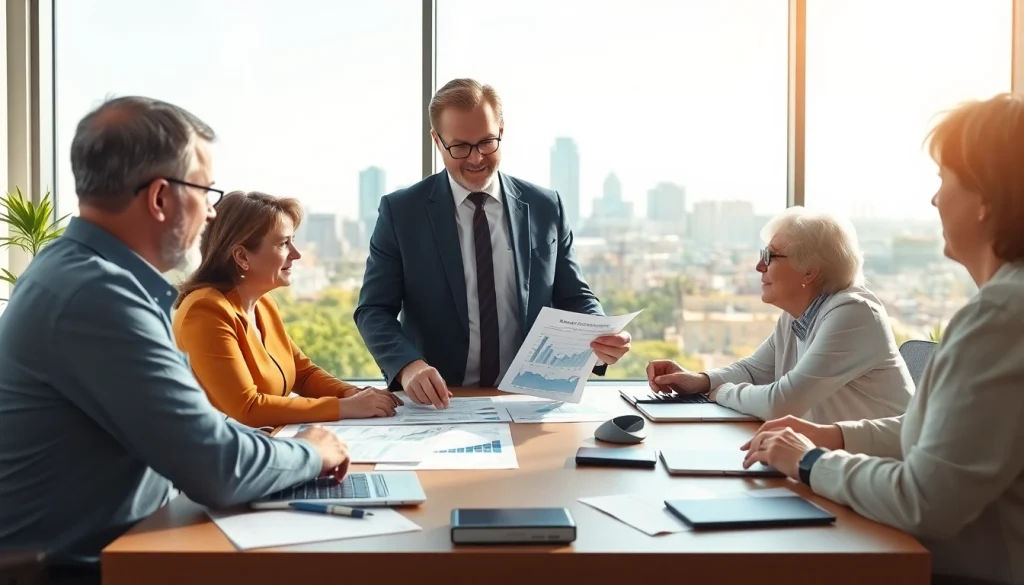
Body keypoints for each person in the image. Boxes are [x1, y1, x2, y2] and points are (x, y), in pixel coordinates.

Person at [0, 97, 348, 581]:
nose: (210, 213)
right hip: (85, 569)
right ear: (160, 198)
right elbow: (216, 465)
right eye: (206, 191)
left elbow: (194, 431)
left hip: (137, 543)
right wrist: (313, 450)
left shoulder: (83, 276)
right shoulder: (95, 296)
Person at [742, 93, 1024, 585]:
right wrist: (833, 436)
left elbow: (925, 500)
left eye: (944, 180)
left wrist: (808, 461)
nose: (935, 199)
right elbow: (945, 438)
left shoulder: (1000, 317)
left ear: (984, 199)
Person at [354, 78, 631, 408]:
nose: (476, 159)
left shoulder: (546, 206)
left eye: (487, 142)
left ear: (502, 130)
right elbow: (373, 311)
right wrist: (407, 366)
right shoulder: (402, 212)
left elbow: (574, 295)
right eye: (460, 147)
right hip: (440, 403)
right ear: (436, 141)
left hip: (530, 399)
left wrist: (601, 334)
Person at [647, 206, 913, 424]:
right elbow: (753, 371)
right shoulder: (796, 316)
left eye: (770, 256)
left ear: (809, 271)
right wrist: (700, 381)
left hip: (884, 473)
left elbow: (782, 403)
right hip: (837, 463)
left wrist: (722, 393)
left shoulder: (854, 315)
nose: (759, 266)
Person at [173, 191, 402, 428]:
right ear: (242, 256)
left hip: (263, 443)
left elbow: (303, 374)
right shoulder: (205, 311)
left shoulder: (262, 304)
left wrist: (353, 394)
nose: (297, 254)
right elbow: (247, 408)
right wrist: (345, 407)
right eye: (284, 243)